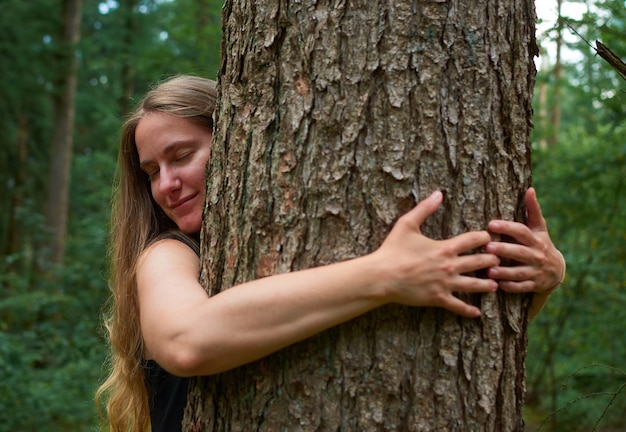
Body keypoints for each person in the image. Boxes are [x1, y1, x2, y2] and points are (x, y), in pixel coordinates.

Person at [96, 75, 566, 432]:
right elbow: (186, 342)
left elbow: (477, 336)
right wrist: (383, 275)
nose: (165, 186)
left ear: (238, 141)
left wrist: (538, 278)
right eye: (151, 171)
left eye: (180, 156)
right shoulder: (165, 254)